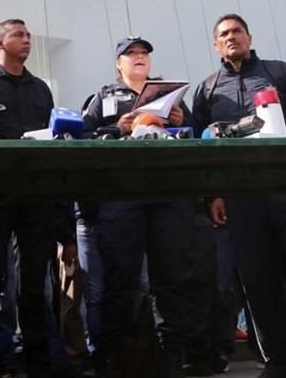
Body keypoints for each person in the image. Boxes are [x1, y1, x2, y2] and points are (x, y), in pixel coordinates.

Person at [190, 14, 286, 378]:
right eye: (223, 34)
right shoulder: (208, 89)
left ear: (249, 36)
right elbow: (202, 148)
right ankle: (283, 365)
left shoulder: (281, 72)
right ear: (216, 45)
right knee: (261, 285)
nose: (231, 38)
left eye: (237, 32)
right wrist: (213, 193)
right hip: (241, 199)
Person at [82, 36, 213, 378]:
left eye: (144, 54)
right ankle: (116, 359)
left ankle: (173, 356)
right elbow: (82, 139)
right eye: (131, 54)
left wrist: (182, 121)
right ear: (118, 63)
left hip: (168, 193)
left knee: (173, 279)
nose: (139, 58)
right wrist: (118, 127)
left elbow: (197, 138)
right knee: (121, 280)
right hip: (122, 196)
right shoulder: (103, 97)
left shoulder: (169, 95)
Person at [0, 18, 77, 378]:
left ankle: (39, 363)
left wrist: (64, 226)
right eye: (19, 35)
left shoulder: (40, 90)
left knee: (34, 286)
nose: (27, 40)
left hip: (35, 198)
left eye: (28, 35)